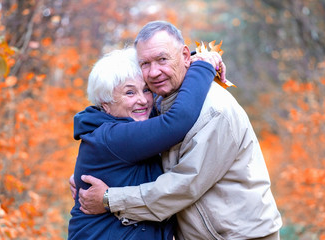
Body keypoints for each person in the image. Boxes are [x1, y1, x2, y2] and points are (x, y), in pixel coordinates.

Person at [71, 21, 283, 239]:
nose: (154, 72)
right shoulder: (161, 102)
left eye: (162, 59)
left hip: (235, 236)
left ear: (184, 55)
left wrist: (109, 199)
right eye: (145, 63)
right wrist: (91, 173)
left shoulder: (212, 110)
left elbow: (184, 186)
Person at [67, 46, 221, 239]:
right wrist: (203, 67)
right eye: (129, 93)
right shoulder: (115, 137)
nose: (143, 100)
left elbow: (163, 85)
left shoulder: (121, 124)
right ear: (105, 104)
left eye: (146, 90)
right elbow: (178, 121)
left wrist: (194, 57)